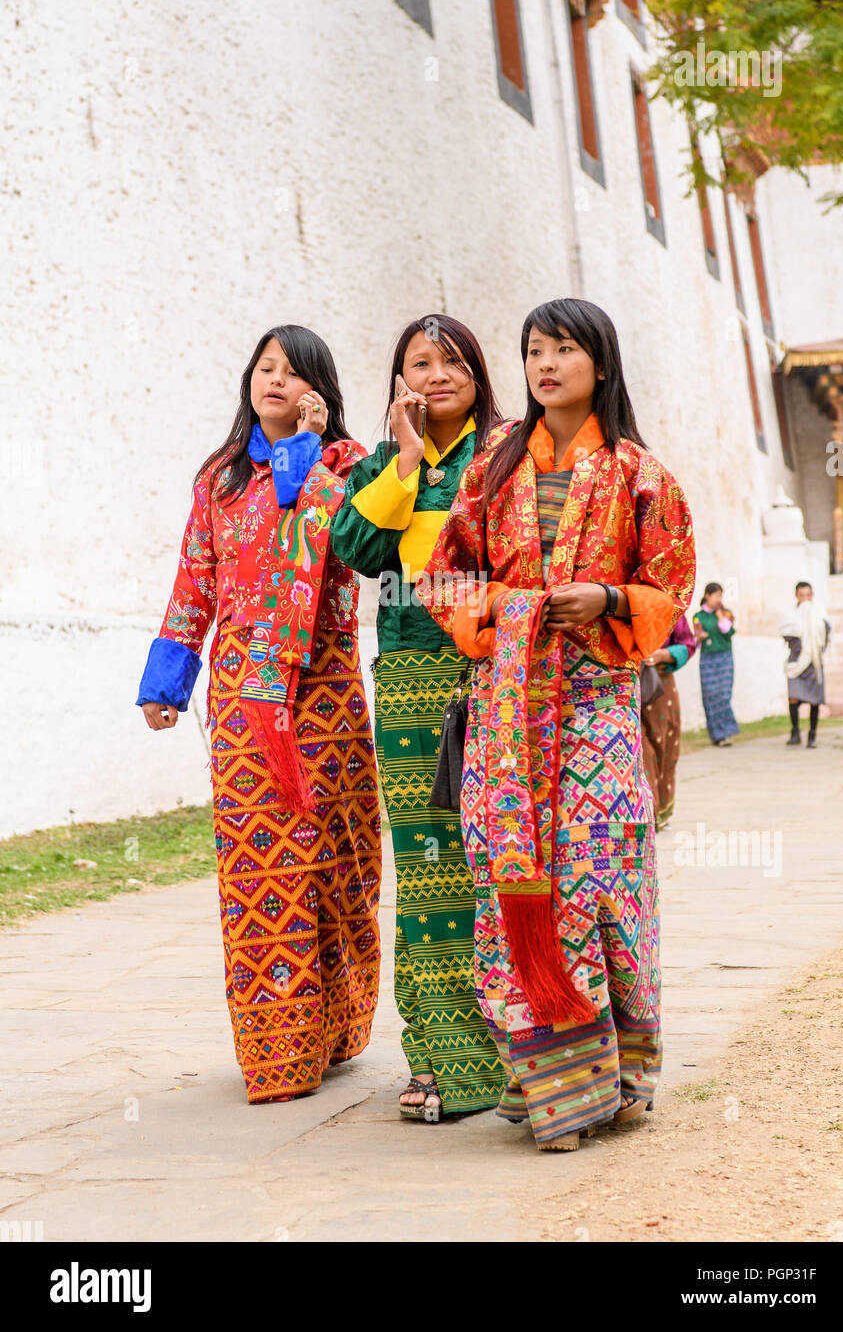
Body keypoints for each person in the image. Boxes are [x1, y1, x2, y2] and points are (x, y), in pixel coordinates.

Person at [419, 297, 695, 1151]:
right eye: (535, 349)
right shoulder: (488, 472)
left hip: (600, 710)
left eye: (565, 349)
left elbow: (673, 597)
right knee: (518, 890)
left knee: (598, 882)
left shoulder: (643, 476)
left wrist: (609, 597)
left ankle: (619, 1078)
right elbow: (443, 576)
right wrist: (516, 609)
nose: (545, 363)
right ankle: (552, 1092)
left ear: (601, 366)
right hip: (507, 713)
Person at [136, 325, 382, 1104]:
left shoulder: (347, 466)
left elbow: (306, 519)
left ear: (321, 387)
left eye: (294, 371)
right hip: (246, 691)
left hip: (323, 679)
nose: (275, 379)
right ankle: (278, 1051)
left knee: (339, 857)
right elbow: (194, 581)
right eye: (265, 367)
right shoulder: (217, 479)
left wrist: (309, 442)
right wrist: (165, 682)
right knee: (259, 861)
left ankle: (338, 1025)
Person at [331, 314, 506, 1122]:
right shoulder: (384, 462)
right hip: (408, 679)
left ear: (477, 370)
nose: (436, 375)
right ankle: (439, 1055)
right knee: (430, 871)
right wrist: (403, 463)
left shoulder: (505, 452)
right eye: (418, 363)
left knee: (492, 864)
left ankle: (516, 1048)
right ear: (399, 382)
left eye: (450, 360)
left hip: (493, 676)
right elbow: (355, 546)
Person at [641, 614, 696, 830]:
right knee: (641, 748)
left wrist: (662, 654)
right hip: (624, 681)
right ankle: (647, 811)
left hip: (659, 682)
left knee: (664, 745)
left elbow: (687, 644)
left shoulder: (671, 607)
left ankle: (660, 809)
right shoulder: (616, 598)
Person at [780, 580, 830, 748]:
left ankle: (812, 734)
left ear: (812, 595)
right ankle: (795, 732)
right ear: (797, 596)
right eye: (802, 596)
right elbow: (786, 633)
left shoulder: (820, 614)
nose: (805, 599)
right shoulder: (790, 615)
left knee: (814, 700)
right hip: (796, 661)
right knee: (793, 697)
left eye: (808, 595)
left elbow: (825, 634)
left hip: (813, 662)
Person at [692, 583, 739, 746]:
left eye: (721, 596)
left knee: (724, 694)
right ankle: (717, 734)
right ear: (707, 595)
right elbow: (696, 638)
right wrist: (699, 637)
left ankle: (726, 732)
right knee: (710, 695)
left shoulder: (726, 613)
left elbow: (728, 631)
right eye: (716, 595)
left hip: (724, 657)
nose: (719, 599)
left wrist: (720, 616)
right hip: (707, 658)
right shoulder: (699, 616)